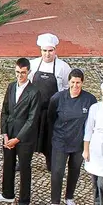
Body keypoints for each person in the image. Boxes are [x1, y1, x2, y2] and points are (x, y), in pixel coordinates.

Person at [0, 58, 41, 205]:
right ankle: (7, 193)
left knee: (24, 169)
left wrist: (17, 139)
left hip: (24, 138)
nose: (20, 75)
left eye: (23, 73)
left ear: (29, 72)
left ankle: (24, 202)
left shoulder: (34, 92)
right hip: (9, 133)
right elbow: (4, 110)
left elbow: (32, 119)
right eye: (18, 72)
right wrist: (5, 134)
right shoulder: (11, 86)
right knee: (8, 164)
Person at [46, 68, 97, 205]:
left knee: (74, 170)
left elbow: (92, 122)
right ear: (68, 82)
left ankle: (69, 197)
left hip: (79, 142)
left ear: (82, 83)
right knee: (57, 171)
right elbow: (51, 118)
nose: (75, 86)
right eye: (73, 82)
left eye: (78, 83)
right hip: (60, 141)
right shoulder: (57, 98)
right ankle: (55, 201)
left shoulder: (90, 100)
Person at [30, 33, 73, 171]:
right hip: (35, 108)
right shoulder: (33, 64)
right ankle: (25, 160)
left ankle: (51, 164)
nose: (47, 54)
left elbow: (67, 88)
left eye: (50, 51)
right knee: (30, 135)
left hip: (53, 110)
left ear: (55, 51)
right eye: (44, 51)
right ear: (40, 50)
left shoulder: (63, 67)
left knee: (51, 138)